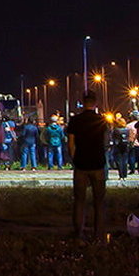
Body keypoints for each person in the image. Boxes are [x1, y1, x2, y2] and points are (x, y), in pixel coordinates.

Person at [67, 92, 109, 242]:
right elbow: (106, 142)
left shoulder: (75, 120)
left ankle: (79, 232)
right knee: (99, 201)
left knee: (79, 200)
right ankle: (99, 234)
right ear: (95, 103)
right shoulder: (101, 120)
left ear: (83, 103)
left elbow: (71, 143)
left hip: (81, 165)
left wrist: (75, 158)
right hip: (98, 164)